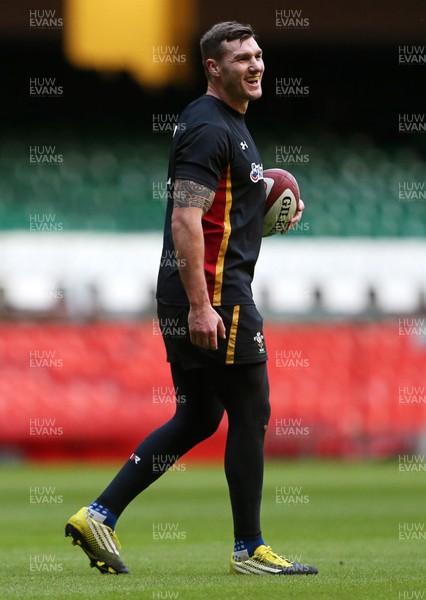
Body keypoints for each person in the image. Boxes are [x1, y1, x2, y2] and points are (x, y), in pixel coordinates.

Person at [65, 20, 316, 577]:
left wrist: (267, 218)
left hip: (197, 291)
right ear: (212, 68)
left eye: (258, 55)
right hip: (214, 294)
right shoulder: (208, 126)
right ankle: (249, 549)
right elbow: (186, 218)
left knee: (200, 414)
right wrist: (203, 306)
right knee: (251, 412)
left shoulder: (229, 125)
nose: (254, 66)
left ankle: (99, 514)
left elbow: (220, 216)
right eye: (241, 58)